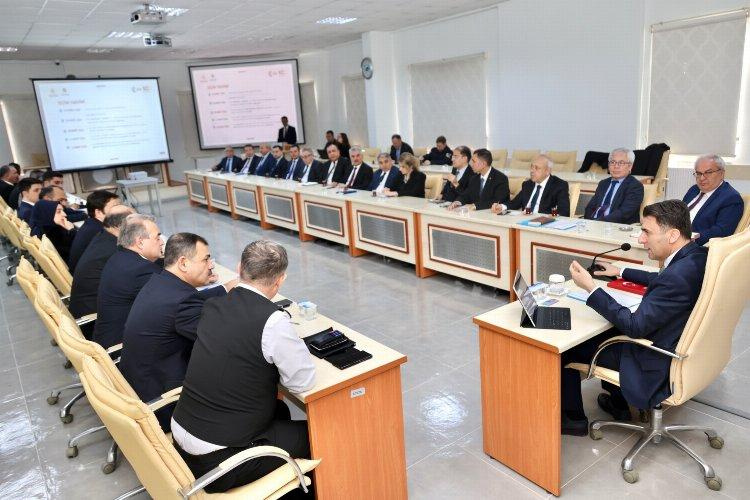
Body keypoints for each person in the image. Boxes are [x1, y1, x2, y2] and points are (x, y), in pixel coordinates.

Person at [171, 240, 315, 494]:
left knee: (280, 409)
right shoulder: (273, 321)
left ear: (239, 268)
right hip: (220, 460)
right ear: (280, 280)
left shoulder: (213, 306)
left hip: (183, 434)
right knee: (319, 434)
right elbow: (301, 383)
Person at [562, 200, 708, 436]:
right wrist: (620, 271)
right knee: (610, 330)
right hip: (681, 346)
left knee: (568, 348)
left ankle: (573, 421)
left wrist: (591, 288)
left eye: (646, 232)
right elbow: (661, 279)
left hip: (654, 360)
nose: (641, 239)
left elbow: (634, 326)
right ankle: (618, 404)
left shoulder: (676, 277)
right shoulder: (696, 256)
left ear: (672, 235)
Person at [120, 233, 236, 430]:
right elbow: (221, 341)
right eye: (206, 259)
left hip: (140, 387)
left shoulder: (160, 282)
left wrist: (225, 288)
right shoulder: (181, 301)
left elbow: (190, 300)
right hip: (165, 405)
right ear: (183, 263)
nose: (211, 265)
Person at [93, 214, 163, 349]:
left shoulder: (120, 256)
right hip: (122, 348)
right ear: (140, 242)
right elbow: (176, 300)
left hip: (107, 339)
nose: (161, 242)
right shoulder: (141, 270)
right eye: (157, 238)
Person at [69, 205, 134, 339]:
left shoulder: (103, 237)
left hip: (89, 312)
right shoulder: (114, 251)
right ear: (121, 226)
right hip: (97, 326)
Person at [682, 154, 744, 246]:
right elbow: (679, 212)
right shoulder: (694, 190)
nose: (702, 178)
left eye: (708, 173)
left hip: (697, 247)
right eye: (698, 173)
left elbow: (721, 231)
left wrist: (687, 239)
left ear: (721, 173)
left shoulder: (731, 198)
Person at [491, 154, 570, 216]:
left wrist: (549, 217)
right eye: (531, 167)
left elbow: (564, 212)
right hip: (523, 221)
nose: (532, 171)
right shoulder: (527, 184)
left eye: (537, 168)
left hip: (543, 224)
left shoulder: (559, 185)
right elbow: (515, 203)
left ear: (548, 171)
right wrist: (501, 207)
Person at [584, 148, 644, 224]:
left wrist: (599, 222)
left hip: (617, 226)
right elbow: (590, 207)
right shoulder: (603, 183)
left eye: (621, 163)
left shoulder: (635, 186)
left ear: (630, 166)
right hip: (594, 224)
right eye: (612, 162)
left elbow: (623, 213)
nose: (616, 166)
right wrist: (589, 221)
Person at [67, 190, 120, 272]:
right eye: (115, 207)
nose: (121, 210)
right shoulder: (100, 232)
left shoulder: (91, 225)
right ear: (98, 212)